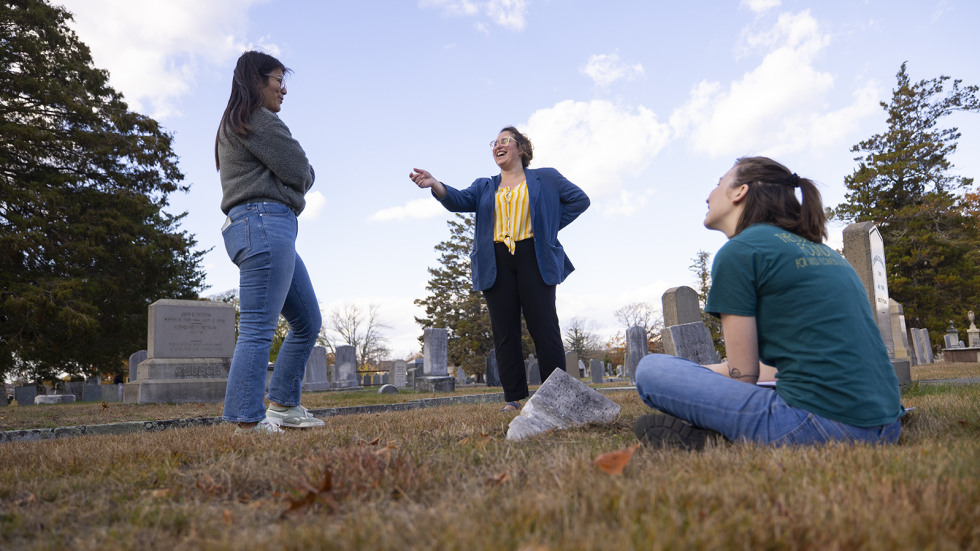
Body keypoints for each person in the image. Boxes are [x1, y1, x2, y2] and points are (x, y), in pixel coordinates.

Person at [634, 156, 904, 449]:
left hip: (820, 425)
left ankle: (725, 438)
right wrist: (698, 375)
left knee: (651, 370)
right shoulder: (823, 251)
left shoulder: (740, 251)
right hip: (887, 425)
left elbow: (744, 376)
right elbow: (771, 370)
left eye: (718, 183)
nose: (708, 195)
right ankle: (721, 437)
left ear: (740, 192)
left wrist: (689, 381)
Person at [410, 127, 590, 411]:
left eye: (506, 140)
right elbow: (457, 199)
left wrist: (546, 229)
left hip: (534, 255)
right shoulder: (484, 186)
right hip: (495, 261)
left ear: (521, 149)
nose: (498, 145)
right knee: (504, 332)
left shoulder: (548, 178)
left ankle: (555, 395)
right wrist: (434, 183)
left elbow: (580, 200)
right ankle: (514, 398)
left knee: (544, 327)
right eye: (495, 142)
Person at [214, 51, 324, 433]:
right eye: (278, 79)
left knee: (308, 320)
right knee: (259, 327)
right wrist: (297, 177)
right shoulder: (256, 119)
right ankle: (246, 418)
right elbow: (300, 169)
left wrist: (291, 179)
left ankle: (283, 405)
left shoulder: (242, 123)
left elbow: (293, 173)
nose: (284, 88)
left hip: (269, 226)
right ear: (256, 81)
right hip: (263, 223)